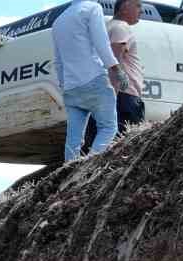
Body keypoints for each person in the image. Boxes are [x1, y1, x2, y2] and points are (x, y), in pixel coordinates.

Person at [52, 0, 121, 161]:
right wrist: (116, 69)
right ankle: (88, 170)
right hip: (94, 78)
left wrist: (64, 86)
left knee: (73, 141)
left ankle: (69, 174)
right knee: (108, 127)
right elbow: (102, 43)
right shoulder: (92, 8)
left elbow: (58, 61)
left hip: (70, 87)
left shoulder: (58, 22)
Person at [108, 2, 146, 134]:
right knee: (125, 142)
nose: (141, 11)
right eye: (138, 6)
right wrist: (114, 92)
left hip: (116, 96)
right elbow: (114, 58)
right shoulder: (121, 27)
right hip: (124, 96)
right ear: (125, 7)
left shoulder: (108, 27)